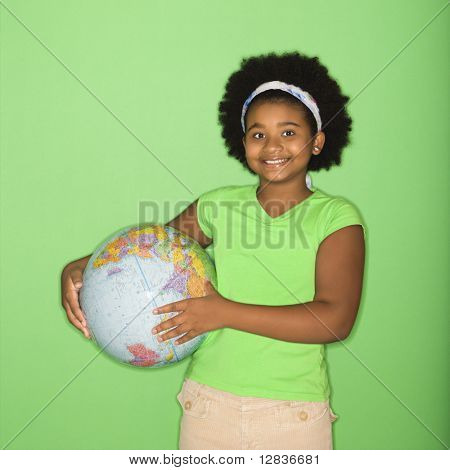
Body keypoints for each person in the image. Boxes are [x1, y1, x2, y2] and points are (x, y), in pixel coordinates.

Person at [61, 51, 366, 450]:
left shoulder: (336, 217)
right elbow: (148, 251)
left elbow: (334, 320)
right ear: (243, 143)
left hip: (293, 413)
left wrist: (223, 312)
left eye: (288, 132)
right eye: (258, 134)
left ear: (318, 140)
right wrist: (76, 268)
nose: (272, 145)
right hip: (207, 404)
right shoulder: (218, 205)